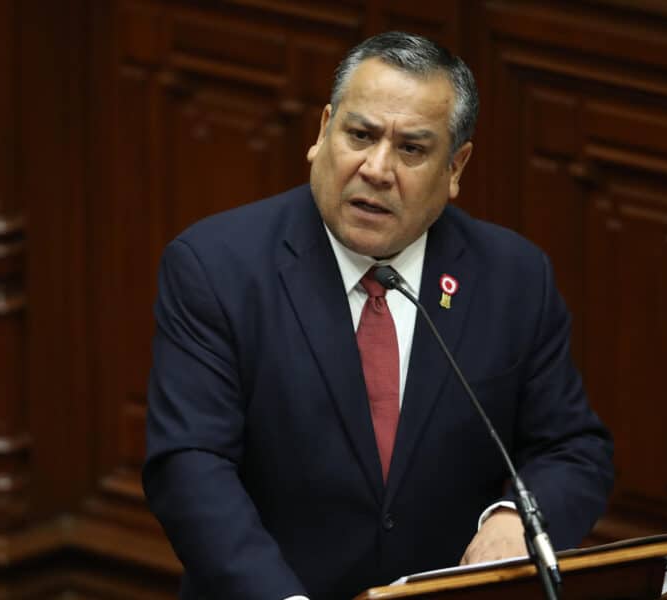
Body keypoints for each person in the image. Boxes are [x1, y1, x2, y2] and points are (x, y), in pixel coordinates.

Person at [143, 31, 614, 600]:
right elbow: (191, 467)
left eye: (412, 149)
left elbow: (572, 449)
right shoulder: (217, 268)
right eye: (359, 135)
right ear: (322, 132)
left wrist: (516, 517)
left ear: (456, 166)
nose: (377, 168)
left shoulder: (512, 278)